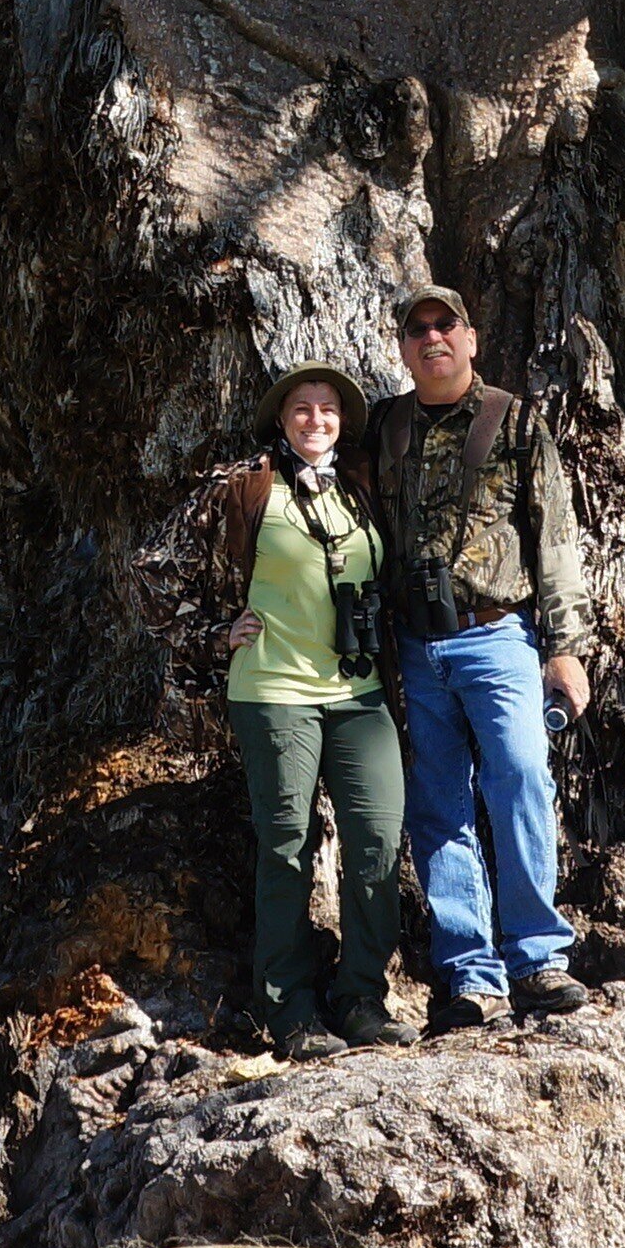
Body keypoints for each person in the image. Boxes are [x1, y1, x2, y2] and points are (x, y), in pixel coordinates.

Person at [362, 284, 593, 1029]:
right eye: (417, 329)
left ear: (470, 338)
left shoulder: (517, 422)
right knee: (437, 805)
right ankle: (470, 973)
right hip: (413, 644)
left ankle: (536, 958)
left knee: (521, 779)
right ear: (402, 348)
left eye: (445, 325)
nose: (432, 339)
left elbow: (554, 539)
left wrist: (563, 648)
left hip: (497, 636)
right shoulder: (383, 427)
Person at [207, 360, 407, 1058]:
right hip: (274, 691)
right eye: (302, 408)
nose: (316, 419)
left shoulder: (360, 485)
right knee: (287, 848)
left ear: (343, 421)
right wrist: (212, 631)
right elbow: (155, 568)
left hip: (359, 692)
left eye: (328, 409)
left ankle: (361, 997)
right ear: (281, 418)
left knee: (378, 843)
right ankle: (289, 1009)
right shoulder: (247, 486)